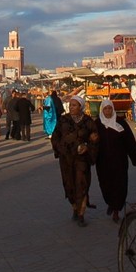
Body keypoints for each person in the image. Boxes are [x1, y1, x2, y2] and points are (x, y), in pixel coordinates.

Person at [51, 95, 100, 227]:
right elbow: (55, 137)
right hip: (66, 159)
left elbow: (95, 139)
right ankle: (74, 207)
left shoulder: (88, 121)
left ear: (81, 106)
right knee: (69, 185)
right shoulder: (63, 120)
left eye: (74, 105)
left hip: (81, 160)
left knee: (82, 184)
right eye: (70, 105)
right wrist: (61, 149)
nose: (71, 107)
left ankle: (81, 214)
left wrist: (88, 147)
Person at [94, 99, 136, 223]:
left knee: (120, 185)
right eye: (105, 109)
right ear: (102, 110)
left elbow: (130, 142)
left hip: (119, 161)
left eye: (110, 108)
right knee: (105, 184)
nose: (108, 111)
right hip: (103, 162)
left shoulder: (120, 123)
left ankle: (116, 209)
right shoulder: (97, 124)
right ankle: (111, 203)